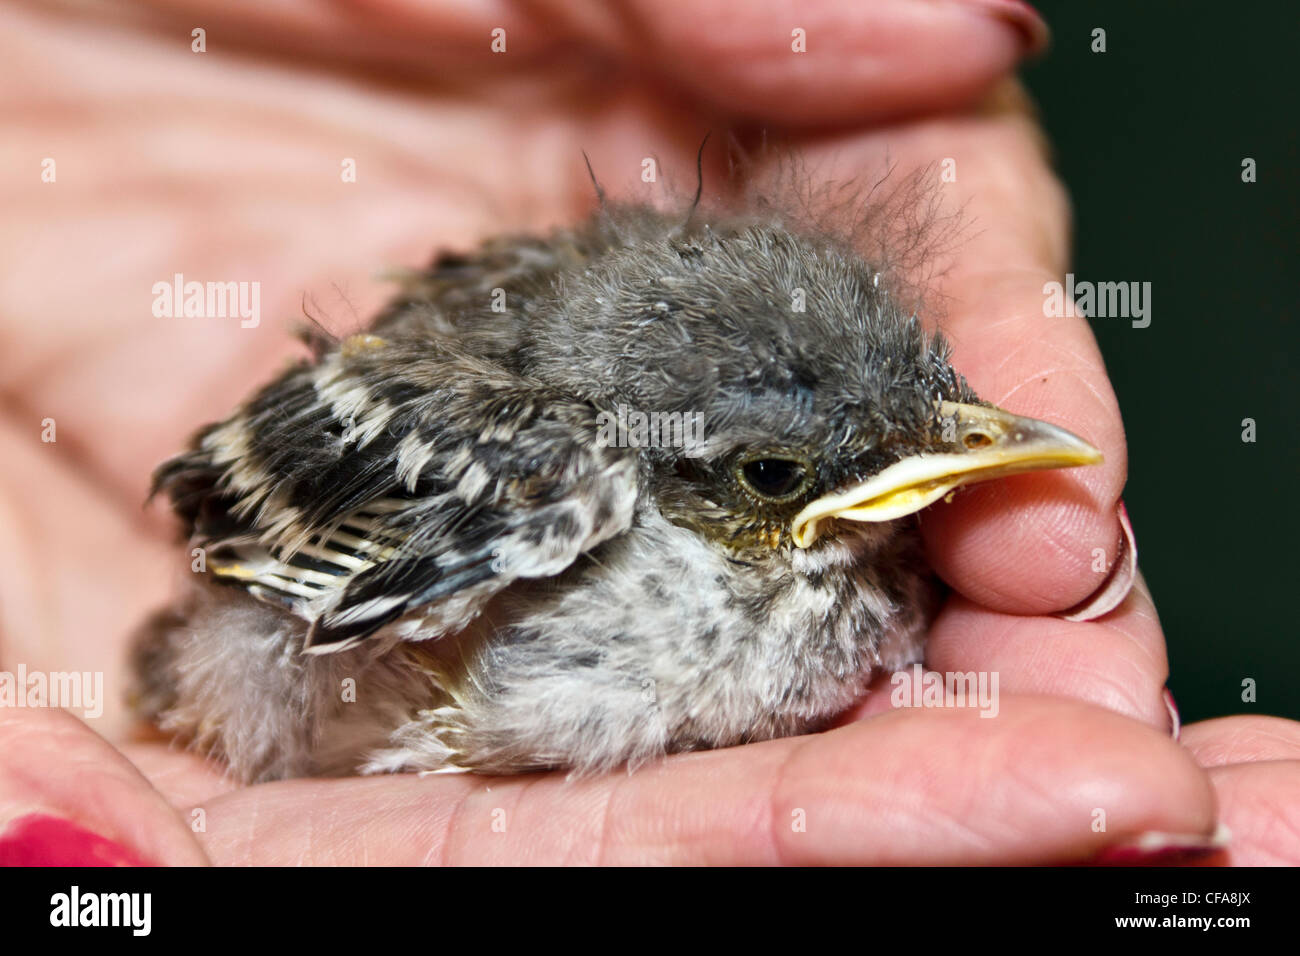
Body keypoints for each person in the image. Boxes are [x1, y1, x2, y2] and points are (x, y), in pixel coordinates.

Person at [0, 0, 1295, 865]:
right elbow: (229, 547)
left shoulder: (860, 544)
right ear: (665, 471)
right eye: (775, 477)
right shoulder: (526, 469)